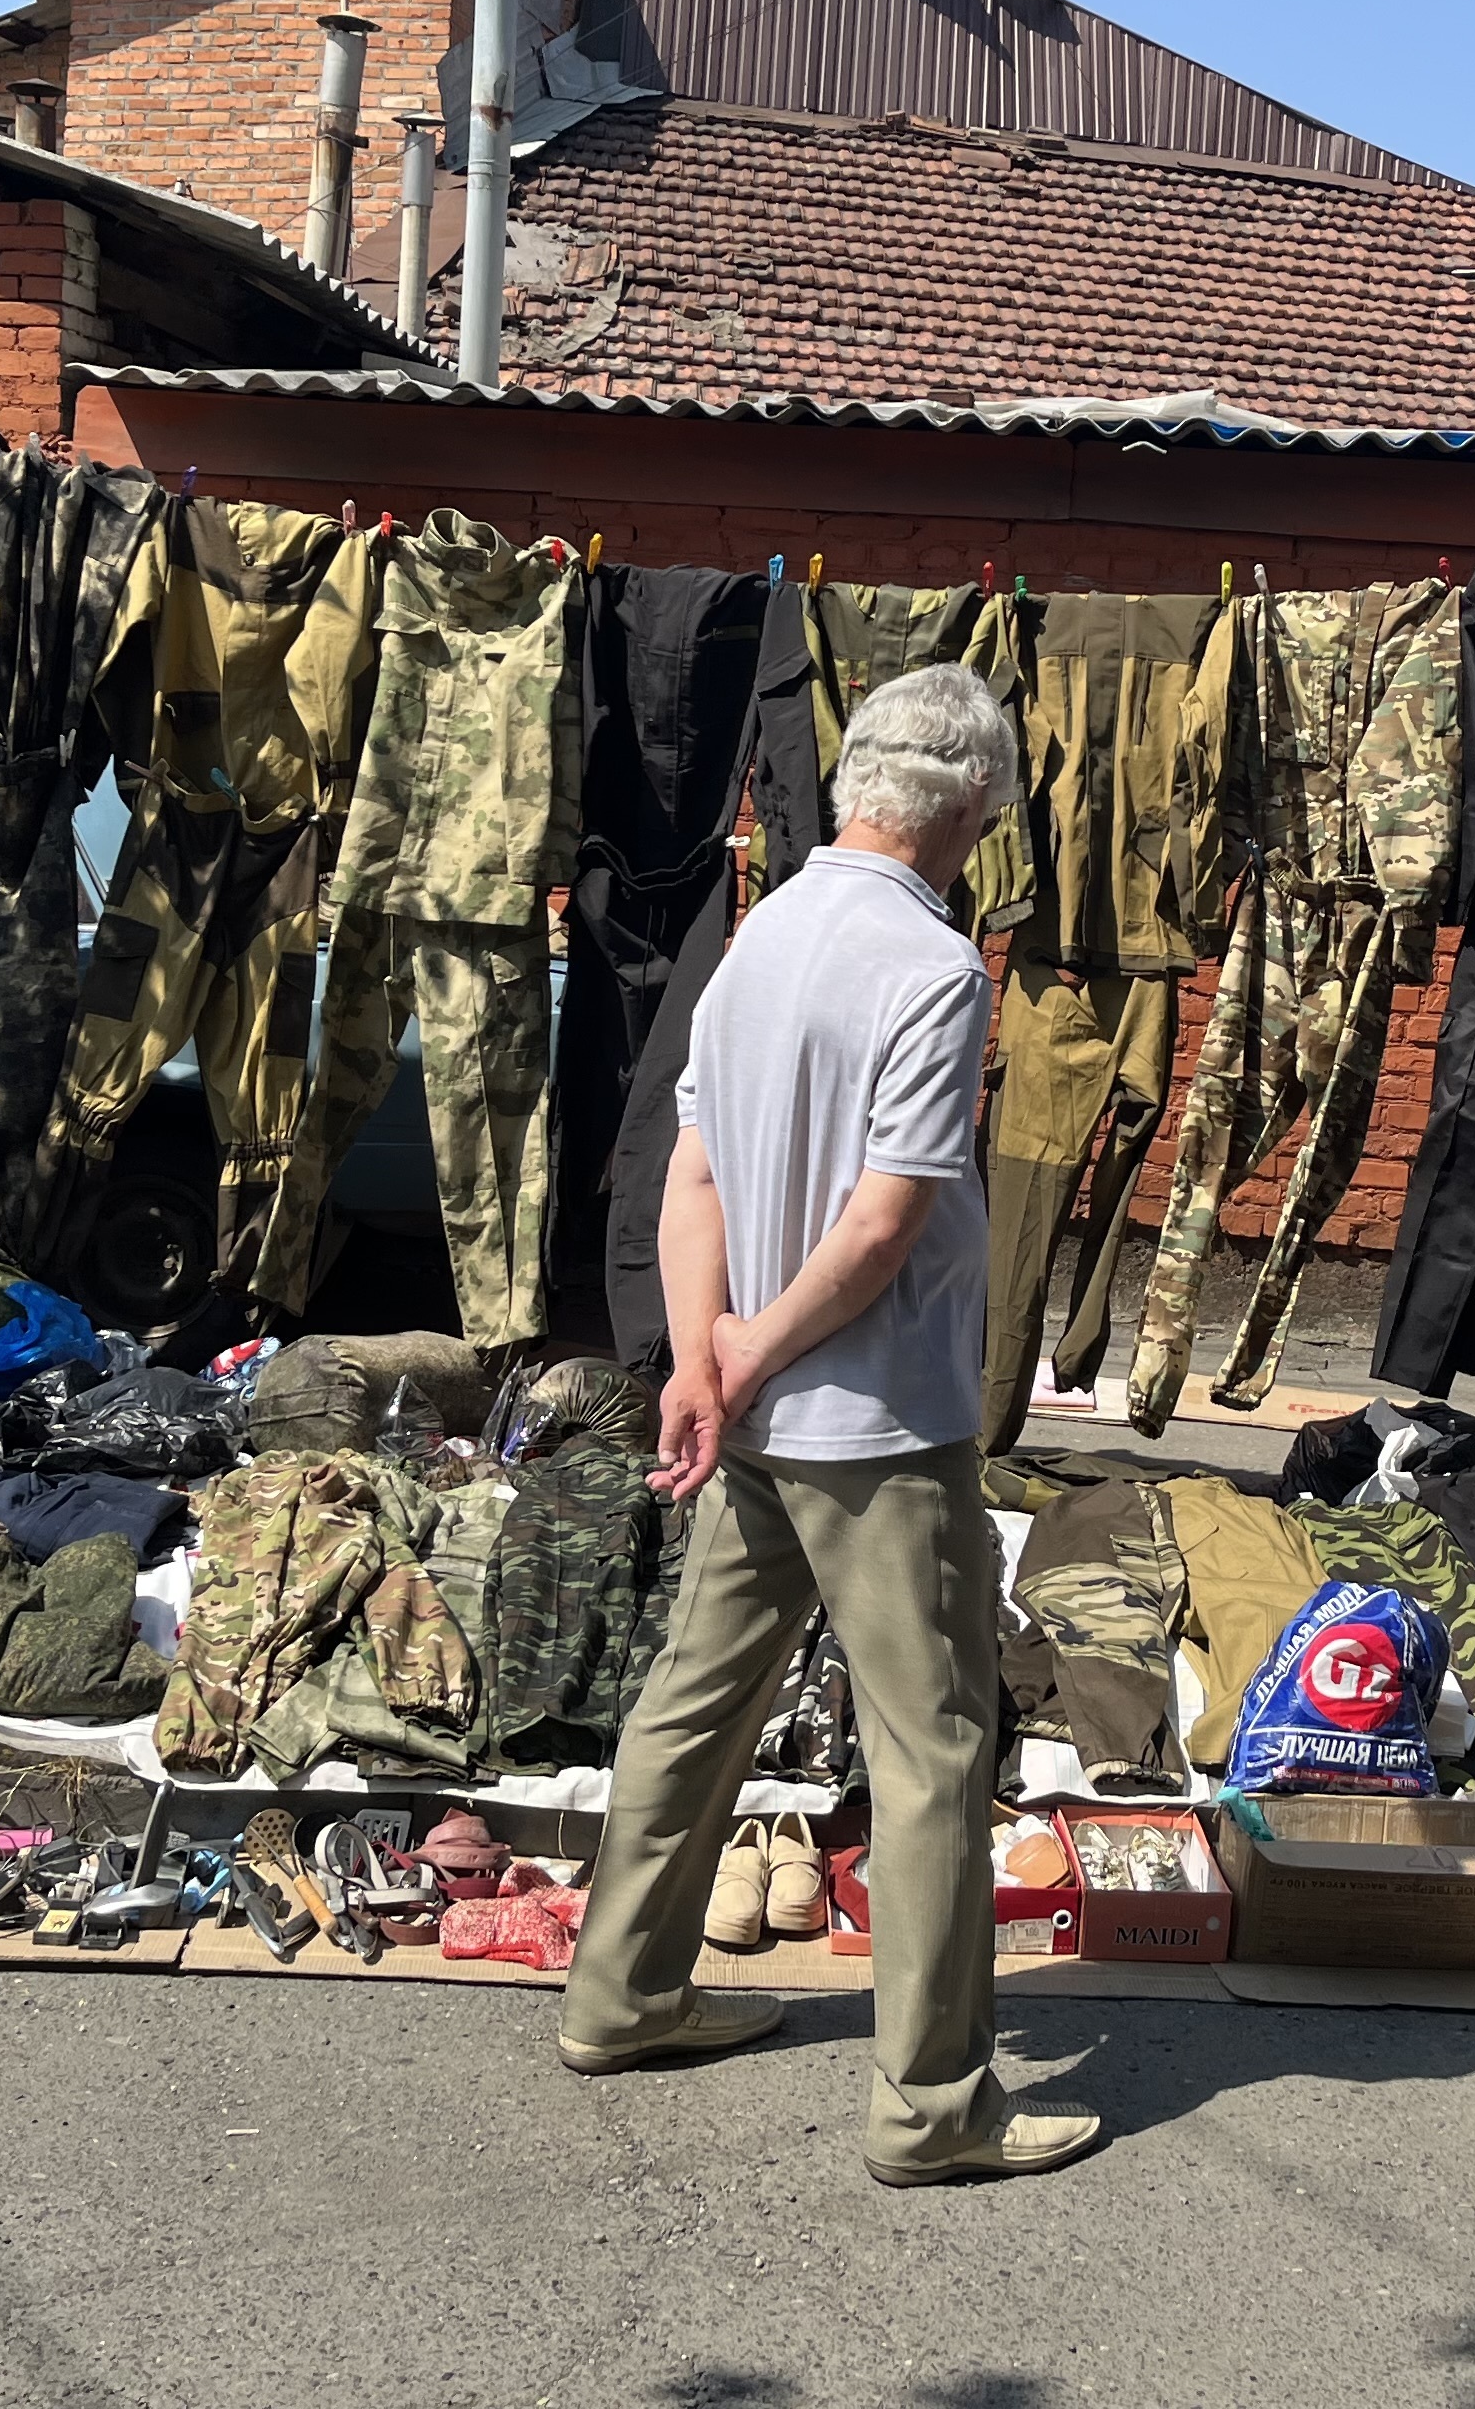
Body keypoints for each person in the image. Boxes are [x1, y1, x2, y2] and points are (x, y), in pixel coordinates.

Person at [554, 661, 1101, 2188]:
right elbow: (877, 1230)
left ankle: (620, 1996)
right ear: (976, 808)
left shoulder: (761, 937)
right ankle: (934, 2107)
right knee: (932, 1747)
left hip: (758, 1411)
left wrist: (703, 1362)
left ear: (858, 779)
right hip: (876, 1418)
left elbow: (696, 1180)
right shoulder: (929, 973)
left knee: (692, 1700)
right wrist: (750, 1351)